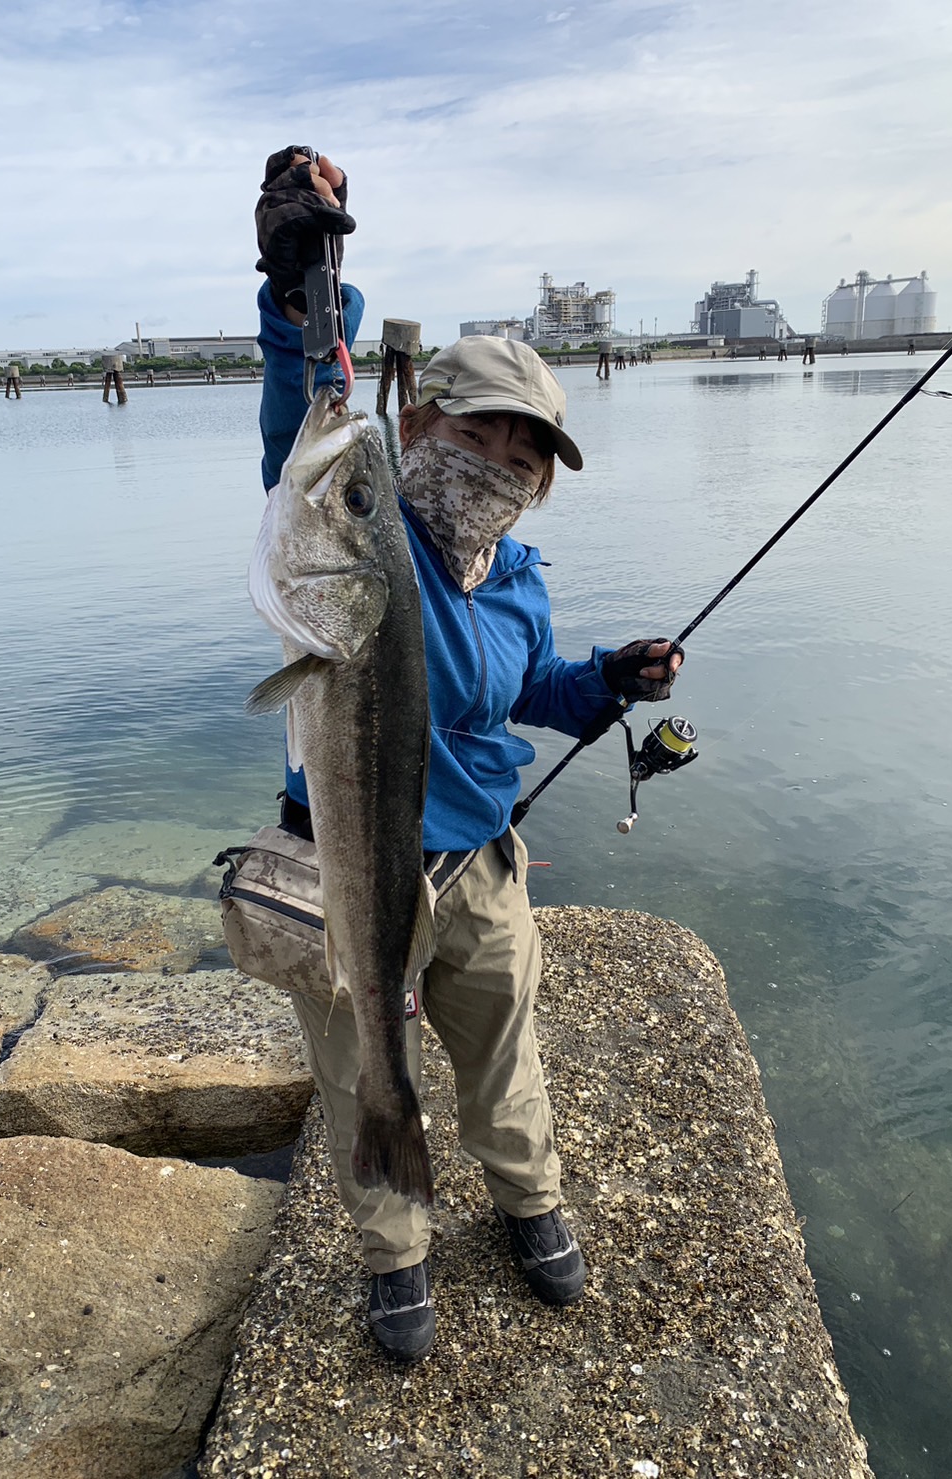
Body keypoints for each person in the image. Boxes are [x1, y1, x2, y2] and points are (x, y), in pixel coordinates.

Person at [252, 146, 684, 1363]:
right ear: (418, 415)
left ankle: (526, 1198)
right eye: (485, 429)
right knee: (357, 1069)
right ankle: (393, 1251)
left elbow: (519, 693)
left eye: (530, 450)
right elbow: (302, 418)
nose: (506, 462)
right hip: (346, 864)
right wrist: (295, 285)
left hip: (482, 873)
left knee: (504, 1053)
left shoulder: (519, 578)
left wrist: (601, 682)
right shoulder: (357, 534)